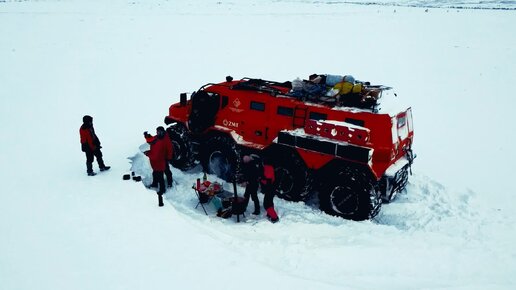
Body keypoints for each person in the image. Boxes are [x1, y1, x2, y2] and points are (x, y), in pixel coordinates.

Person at [144, 131, 168, 207]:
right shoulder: (154, 140)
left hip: (160, 164)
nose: (149, 144)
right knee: (154, 174)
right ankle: (154, 184)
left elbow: (154, 156)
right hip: (156, 165)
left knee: (160, 177)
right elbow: (150, 138)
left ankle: (162, 189)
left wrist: (147, 153)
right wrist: (146, 136)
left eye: (149, 143)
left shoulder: (157, 145)